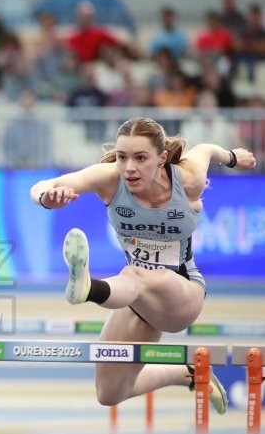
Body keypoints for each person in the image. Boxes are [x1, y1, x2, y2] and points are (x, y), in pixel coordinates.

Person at [29, 117, 257, 414]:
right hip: (136, 298)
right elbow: (42, 185)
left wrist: (232, 157)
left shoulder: (187, 179)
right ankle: (186, 373)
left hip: (183, 294)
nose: (129, 168)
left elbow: (206, 149)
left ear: (162, 159)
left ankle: (90, 289)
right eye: (122, 157)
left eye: (140, 158)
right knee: (109, 392)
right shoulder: (110, 178)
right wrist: (47, 198)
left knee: (137, 273)